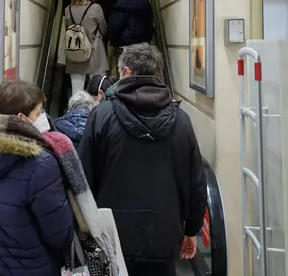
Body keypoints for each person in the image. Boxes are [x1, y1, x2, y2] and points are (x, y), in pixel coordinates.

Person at [78, 44, 207, 276]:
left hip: (112, 234)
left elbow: (84, 178)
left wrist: (85, 232)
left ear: (126, 72)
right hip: (164, 233)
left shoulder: (102, 116)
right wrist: (191, 230)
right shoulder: (181, 120)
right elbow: (196, 182)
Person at [0, 81, 74, 276]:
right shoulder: (40, 164)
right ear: (22, 119)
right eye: (38, 112)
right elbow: (60, 235)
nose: (42, 117)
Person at [64, 0, 109, 92]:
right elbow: (104, 29)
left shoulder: (68, 9)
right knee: (98, 89)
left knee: (76, 91)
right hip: (94, 52)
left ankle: (77, 109)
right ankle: (97, 109)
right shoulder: (96, 8)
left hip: (75, 52)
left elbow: (67, 29)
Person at [108, 0, 154, 72]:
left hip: (125, 47)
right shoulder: (144, 2)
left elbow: (115, 27)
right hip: (143, 46)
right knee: (142, 75)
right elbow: (149, 24)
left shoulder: (119, 5)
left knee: (126, 77)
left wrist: (115, 42)